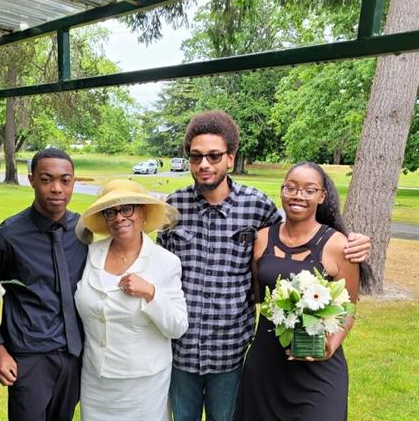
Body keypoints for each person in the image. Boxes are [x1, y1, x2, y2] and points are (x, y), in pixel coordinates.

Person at [157, 110, 371, 421]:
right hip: (181, 352)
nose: (204, 164)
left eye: (214, 156)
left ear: (231, 158)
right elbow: (157, 270)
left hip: (230, 353)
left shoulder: (257, 206)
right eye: (196, 157)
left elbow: (296, 238)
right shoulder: (172, 209)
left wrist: (352, 241)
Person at [235, 162, 360, 420]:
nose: (298, 196)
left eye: (309, 190)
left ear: (322, 196)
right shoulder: (261, 239)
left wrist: (330, 346)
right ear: (281, 191)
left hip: (317, 367)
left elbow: (348, 310)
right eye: (290, 188)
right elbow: (257, 294)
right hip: (265, 365)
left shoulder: (339, 246)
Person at [74, 179, 188, 421]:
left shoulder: (165, 262)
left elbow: (177, 326)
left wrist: (151, 292)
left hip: (143, 384)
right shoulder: (91, 253)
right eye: (111, 212)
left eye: (127, 209)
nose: (119, 218)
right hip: (96, 380)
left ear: (143, 213)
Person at [0, 148, 88, 421]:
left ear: (73, 181)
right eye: (47, 179)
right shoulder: (8, 236)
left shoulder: (84, 230)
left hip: (74, 354)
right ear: (31, 179)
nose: (57, 188)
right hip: (29, 356)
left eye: (65, 180)